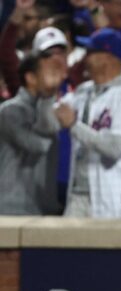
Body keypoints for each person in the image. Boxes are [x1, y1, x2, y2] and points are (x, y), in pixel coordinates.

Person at [54, 28, 121, 218]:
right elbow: (53, 115)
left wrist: (74, 125)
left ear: (106, 58)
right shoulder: (84, 91)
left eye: (91, 51)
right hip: (79, 195)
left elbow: (114, 147)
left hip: (115, 195)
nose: (85, 56)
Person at [0, 53, 64, 215]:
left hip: (41, 206)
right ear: (31, 78)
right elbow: (38, 145)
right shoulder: (10, 111)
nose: (53, 76)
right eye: (47, 71)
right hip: (11, 206)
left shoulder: (49, 107)